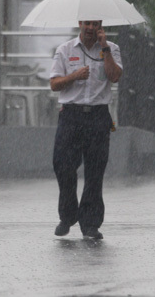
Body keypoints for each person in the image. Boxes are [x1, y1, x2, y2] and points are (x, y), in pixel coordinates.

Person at [49, 19, 122, 239]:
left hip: (98, 115)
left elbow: (115, 76)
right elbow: (54, 84)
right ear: (80, 23)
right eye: (87, 23)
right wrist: (74, 76)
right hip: (71, 114)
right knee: (63, 165)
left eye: (95, 24)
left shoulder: (112, 49)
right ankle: (68, 215)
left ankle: (90, 223)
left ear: (101, 25)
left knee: (95, 171)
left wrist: (105, 48)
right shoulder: (65, 49)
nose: (90, 28)